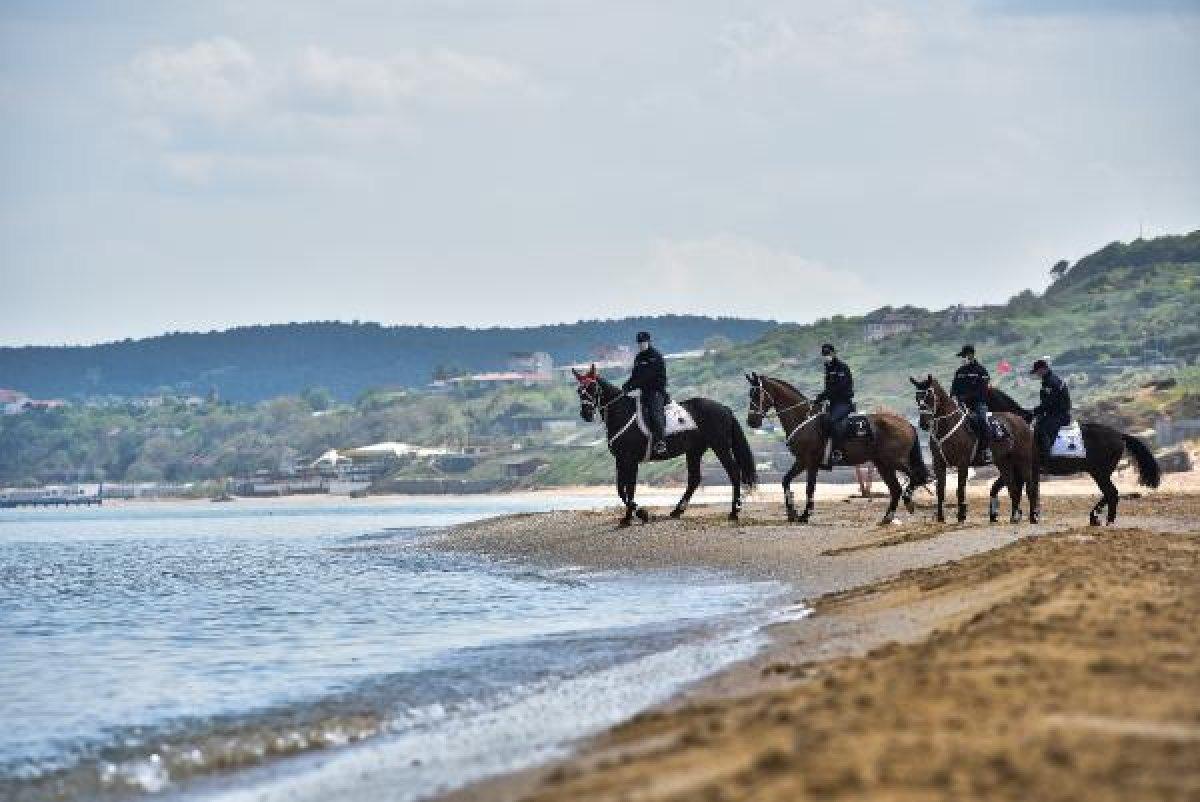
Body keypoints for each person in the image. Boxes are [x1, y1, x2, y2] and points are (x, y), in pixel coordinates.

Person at [623, 331, 668, 455]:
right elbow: (635, 376)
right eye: (639, 343)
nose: (641, 345)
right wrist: (626, 386)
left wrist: (634, 385)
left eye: (643, 342)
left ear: (648, 342)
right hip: (643, 393)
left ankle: (660, 442)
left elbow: (648, 377)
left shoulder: (656, 356)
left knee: (655, 414)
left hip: (656, 392)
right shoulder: (638, 358)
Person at [950, 344, 992, 462]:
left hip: (978, 404)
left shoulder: (981, 371)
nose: (962, 358)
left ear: (970, 355)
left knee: (982, 421)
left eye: (964, 356)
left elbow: (983, 390)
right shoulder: (959, 371)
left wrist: (967, 397)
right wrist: (953, 397)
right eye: (962, 356)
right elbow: (954, 388)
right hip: (961, 404)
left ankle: (986, 450)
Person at [814, 343, 854, 463]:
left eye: (828, 353)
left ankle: (837, 451)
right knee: (819, 420)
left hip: (844, 402)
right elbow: (829, 389)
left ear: (833, 353)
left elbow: (839, 388)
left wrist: (822, 396)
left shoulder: (842, 367)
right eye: (824, 354)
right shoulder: (828, 368)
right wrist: (820, 398)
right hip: (833, 403)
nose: (826, 356)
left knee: (832, 421)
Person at [1030, 358, 1072, 458]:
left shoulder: (1051, 382)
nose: (1037, 374)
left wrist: (1033, 412)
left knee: (1042, 429)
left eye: (1037, 372)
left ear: (1043, 369)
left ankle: (1047, 456)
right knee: (1038, 425)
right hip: (1053, 414)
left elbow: (1049, 403)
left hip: (1059, 415)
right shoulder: (1048, 381)